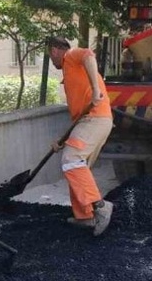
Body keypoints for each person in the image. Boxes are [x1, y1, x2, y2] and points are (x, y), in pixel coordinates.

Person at [46, 36, 115, 236]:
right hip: (89, 121)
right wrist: (62, 140)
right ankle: (85, 217)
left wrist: (95, 89)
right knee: (77, 167)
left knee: (71, 159)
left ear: (55, 51)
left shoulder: (72, 56)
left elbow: (89, 55)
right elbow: (78, 119)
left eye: (50, 55)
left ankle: (101, 207)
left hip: (95, 118)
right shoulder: (70, 71)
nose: (51, 61)